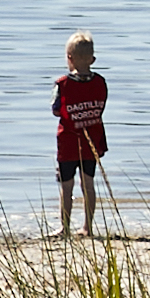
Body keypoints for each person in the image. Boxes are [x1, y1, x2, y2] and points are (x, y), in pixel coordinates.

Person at [53, 34, 110, 236]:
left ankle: (65, 227)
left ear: (69, 58)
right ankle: (88, 227)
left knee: (66, 187)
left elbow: (56, 110)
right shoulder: (100, 82)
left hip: (68, 142)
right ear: (92, 59)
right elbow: (101, 105)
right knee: (88, 184)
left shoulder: (63, 84)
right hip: (91, 140)